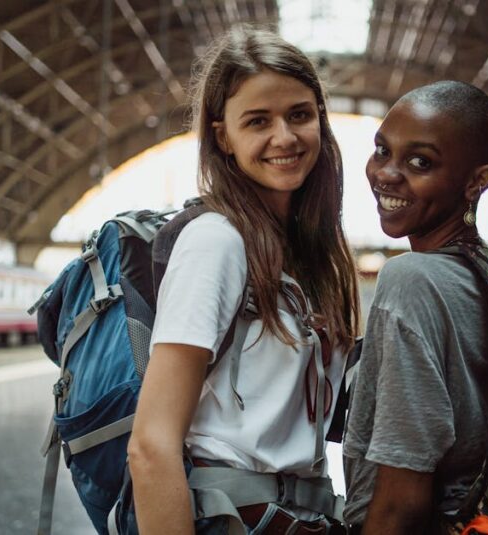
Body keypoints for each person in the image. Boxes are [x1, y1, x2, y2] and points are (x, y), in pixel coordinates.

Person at [127, 27, 359, 535]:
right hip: (234, 519)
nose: (285, 137)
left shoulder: (312, 254)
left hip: (298, 518)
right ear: (222, 136)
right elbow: (151, 445)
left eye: (300, 114)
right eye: (258, 121)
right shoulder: (216, 243)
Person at [342, 80, 488, 534]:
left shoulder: (411, 280)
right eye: (381, 150)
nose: (386, 174)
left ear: (478, 181)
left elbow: (402, 499)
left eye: (420, 162)